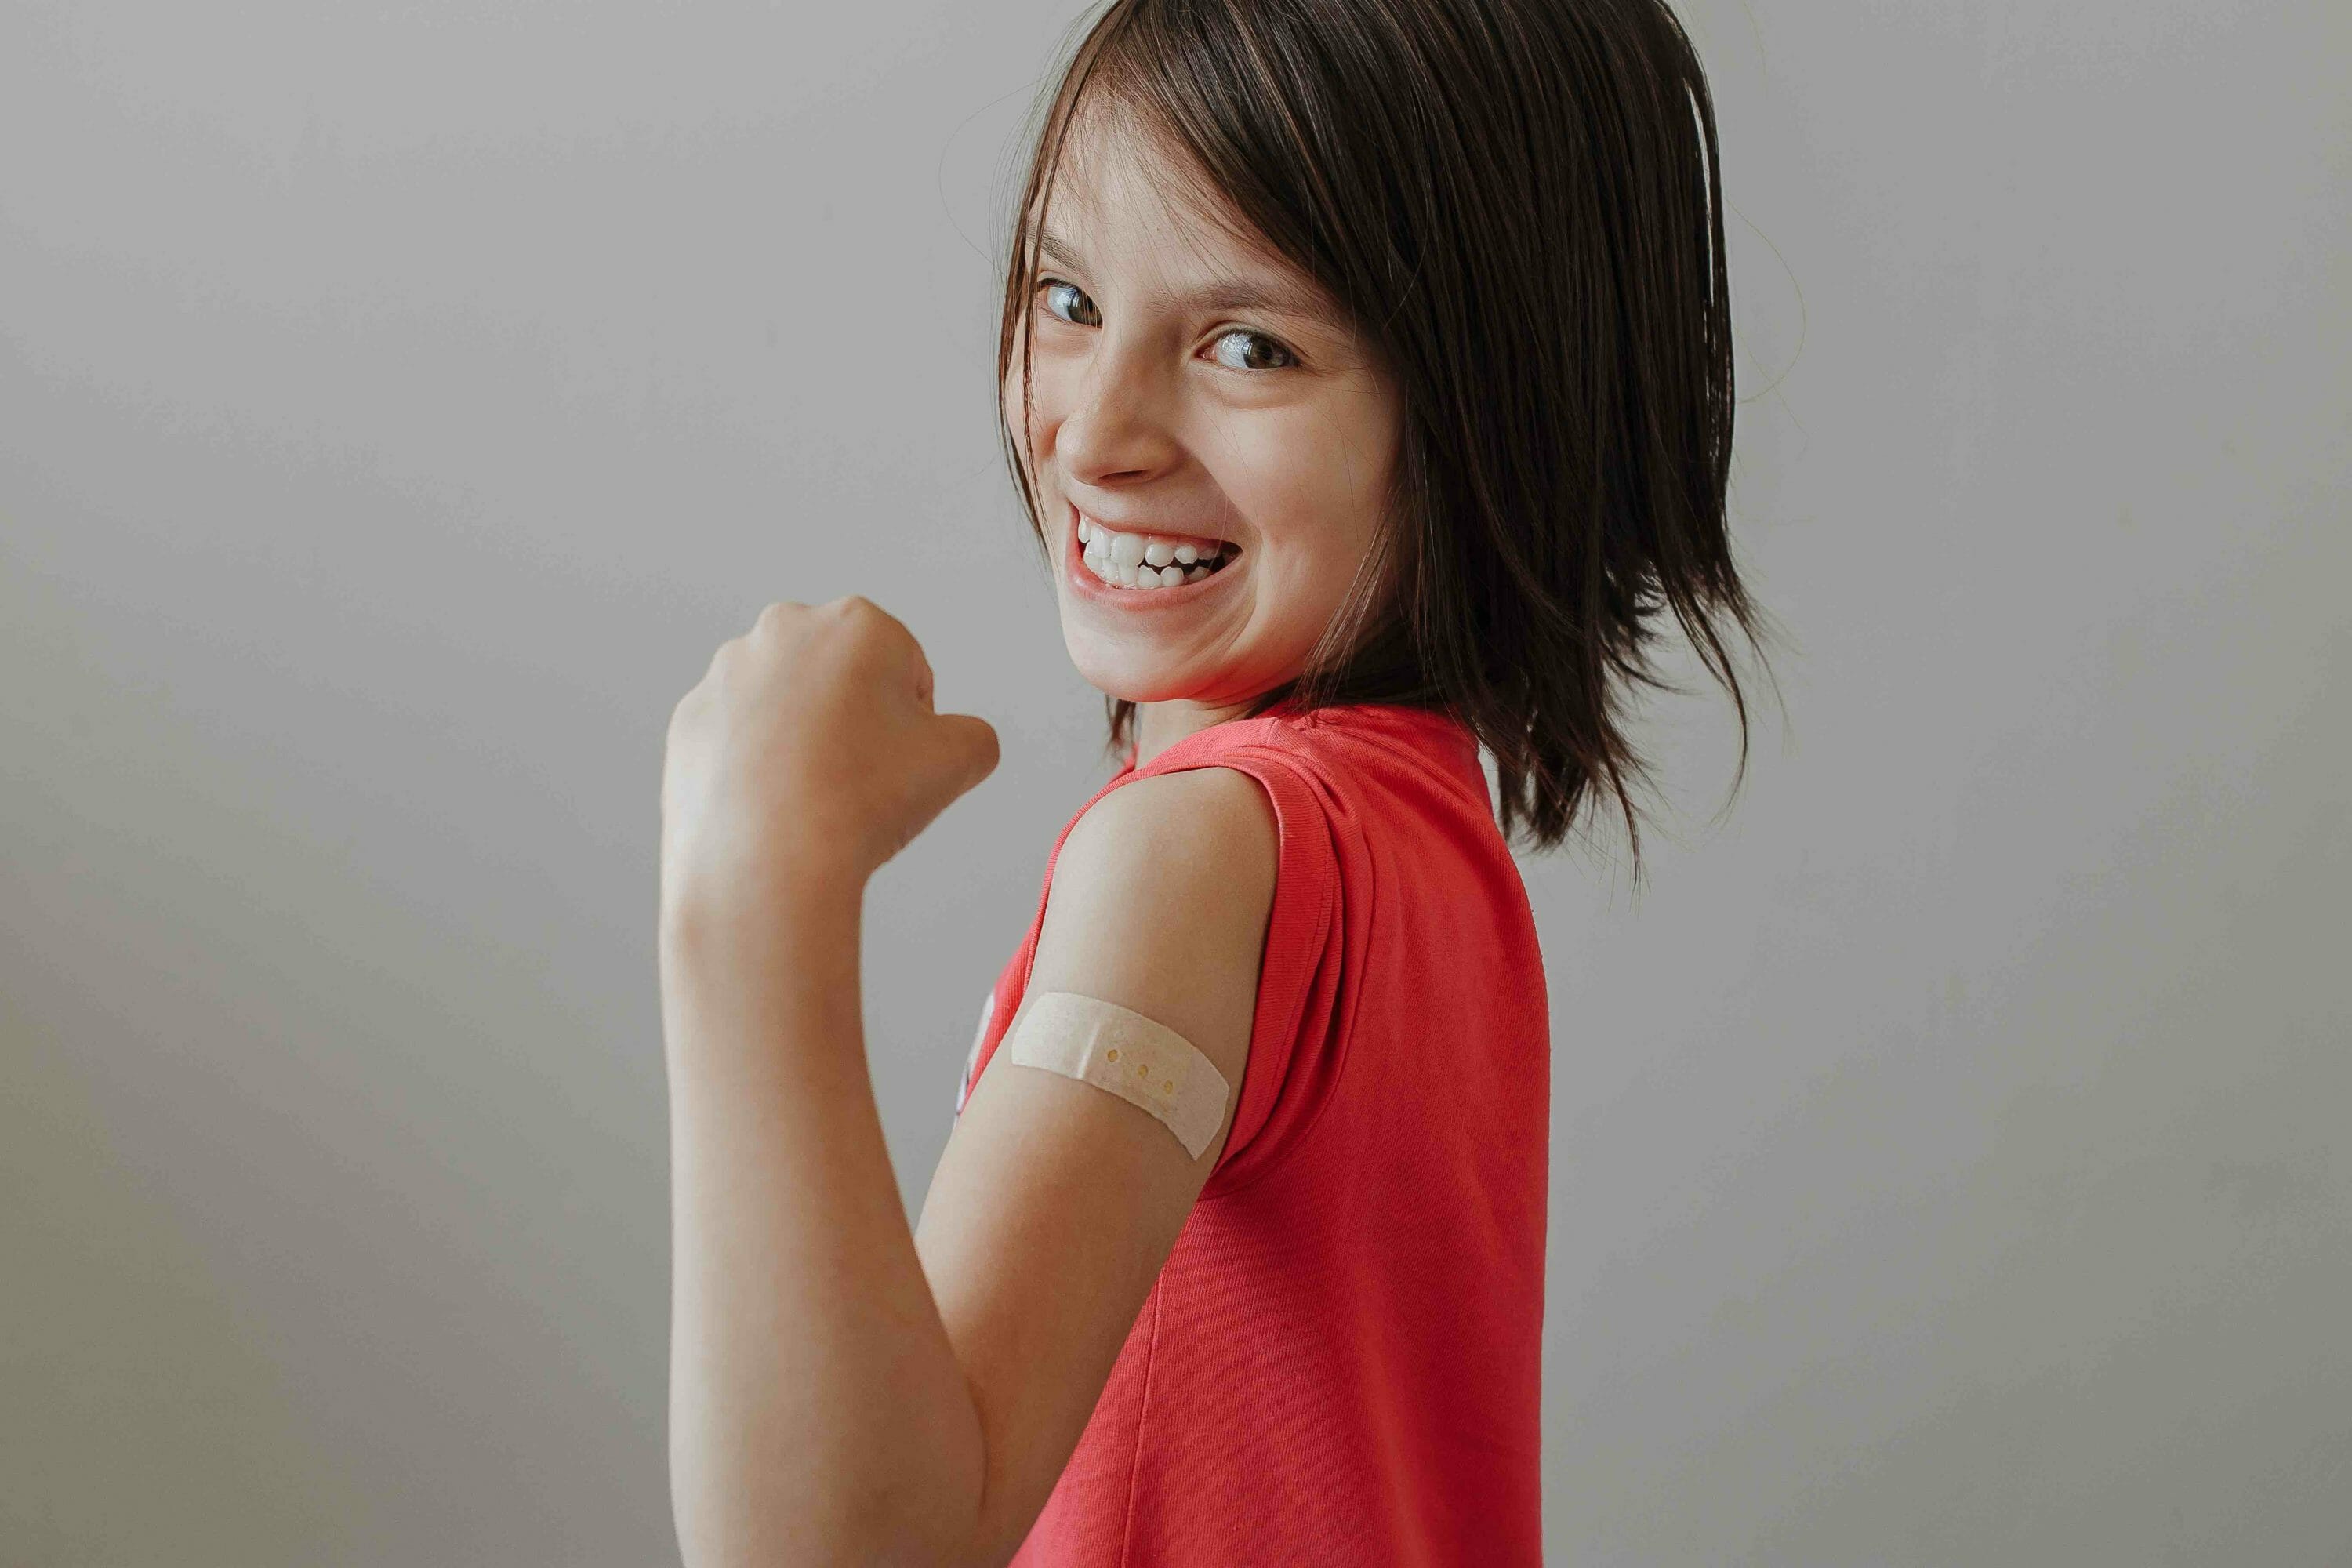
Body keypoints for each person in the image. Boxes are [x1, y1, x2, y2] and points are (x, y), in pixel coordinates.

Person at [656, 1, 1782, 1563]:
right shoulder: (1422, 854)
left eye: (1248, 345)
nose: (1098, 429)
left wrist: (748, 894)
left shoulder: (1200, 851)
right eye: (1065, 296)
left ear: (1496, 405)